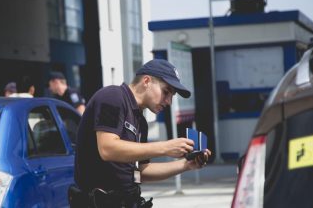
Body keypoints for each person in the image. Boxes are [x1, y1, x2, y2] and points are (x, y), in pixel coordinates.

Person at [72, 59, 211, 208]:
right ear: (146, 81)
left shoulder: (140, 121)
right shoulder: (113, 96)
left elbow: (142, 172)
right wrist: (165, 147)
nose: (169, 101)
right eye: (166, 92)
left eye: (172, 95)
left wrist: (186, 164)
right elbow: (107, 148)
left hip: (128, 201)